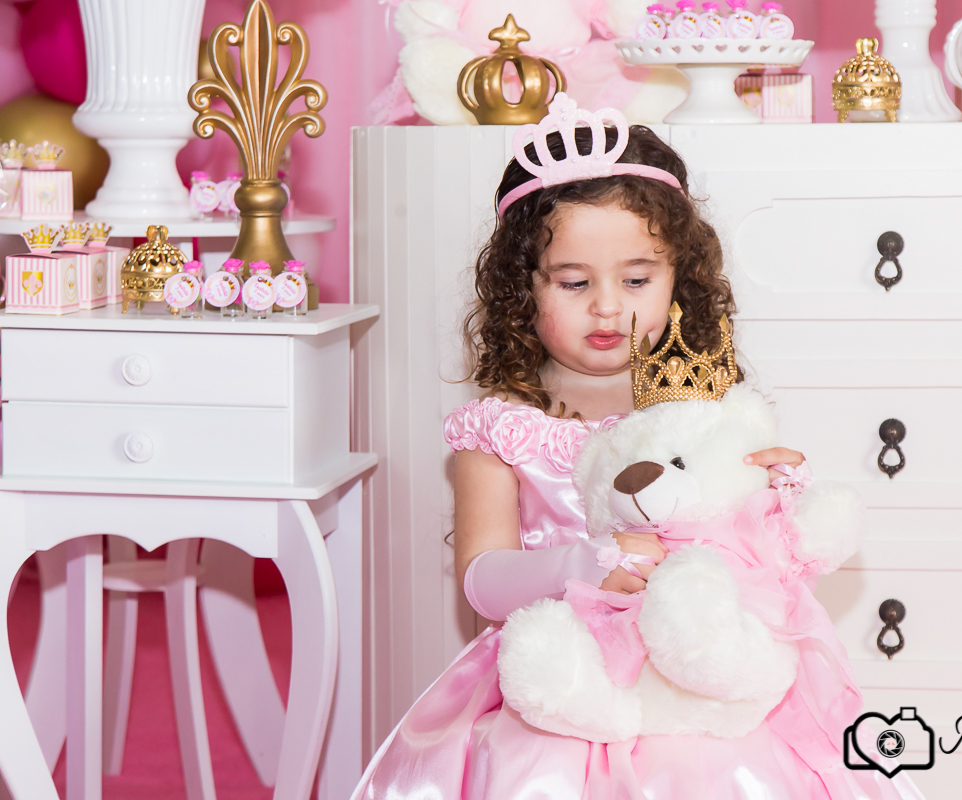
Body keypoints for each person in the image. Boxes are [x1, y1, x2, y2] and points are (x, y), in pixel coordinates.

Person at [353, 95, 924, 800]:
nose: (606, 305)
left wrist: (779, 503)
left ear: (678, 280)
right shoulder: (501, 426)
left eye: (635, 279)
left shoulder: (702, 411)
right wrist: (584, 565)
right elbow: (481, 582)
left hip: (696, 659)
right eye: (573, 282)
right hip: (563, 673)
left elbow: (756, 560)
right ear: (521, 288)